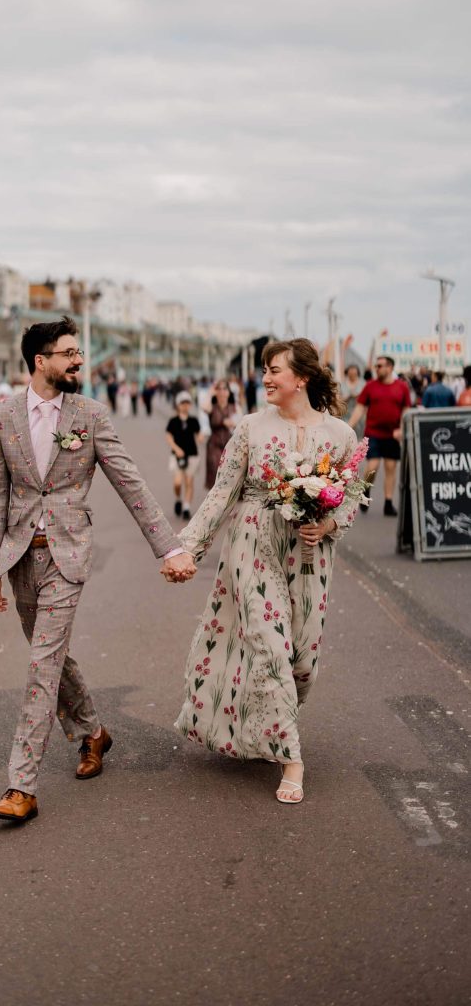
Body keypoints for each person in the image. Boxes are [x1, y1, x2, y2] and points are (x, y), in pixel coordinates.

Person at [0, 318, 195, 825]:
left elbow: (132, 485)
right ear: (41, 361)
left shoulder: (90, 415)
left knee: (41, 664)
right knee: (51, 657)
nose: (79, 361)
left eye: (80, 353)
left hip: (67, 556)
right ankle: (93, 732)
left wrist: (170, 549)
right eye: (69, 353)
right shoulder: (1, 417)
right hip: (19, 558)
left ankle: (21, 786)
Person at [164, 338, 359, 805]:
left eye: (275, 370)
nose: (266, 378)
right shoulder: (250, 428)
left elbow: (351, 497)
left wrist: (328, 523)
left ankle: (264, 722)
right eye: (265, 370)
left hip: (312, 555)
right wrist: (184, 549)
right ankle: (291, 758)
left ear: (302, 378)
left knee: (303, 661)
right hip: (253, 543)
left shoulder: (341, 436)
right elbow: (221, 493)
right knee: (270, 646)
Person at [348, 355, 410, 517]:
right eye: (376, 366)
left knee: (390, 468)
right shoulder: (370, 386)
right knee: (372, 467)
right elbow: (360, 408)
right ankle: (366, 489)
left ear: (390, 367)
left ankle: (388, 503)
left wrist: (402, 429)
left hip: (393, 434)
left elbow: (406, 410)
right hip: (373, 433)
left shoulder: (402, 387)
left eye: (380, 366)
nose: (377, 368)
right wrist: (348, 428)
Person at [165, 391, 204, 521]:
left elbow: (198, 436)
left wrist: (201, 437)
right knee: (177, 482)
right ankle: (178, 499)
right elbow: (169, 437)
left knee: (189, 481)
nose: (185, 405)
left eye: (187, 403)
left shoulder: (194, 421)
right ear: (178, 405)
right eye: (183, 403)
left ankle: (186, 507)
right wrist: (176, 449)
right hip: (177, 456)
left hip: (192, 455)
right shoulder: (173, 421)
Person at [205, 379, 238, 489]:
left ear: (229, 392)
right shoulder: (212, 407)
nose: (222, 392)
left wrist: (233, 423)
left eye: (225, 389)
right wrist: (210, 393)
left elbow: (242, 424)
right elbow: (204, 407)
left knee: (230, 479)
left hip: (231, 446)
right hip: (214, 446)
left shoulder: (235, 407)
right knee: (216, 478)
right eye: (219, 389)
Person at [341, 364, 365, 437]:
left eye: (354, 372)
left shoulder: (363, 384)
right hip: (344, 414)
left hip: (359, 416)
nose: (352, 374)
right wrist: (349, 396)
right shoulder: (342, 384)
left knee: (358, 437)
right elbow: (338, 399)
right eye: (350, 372)